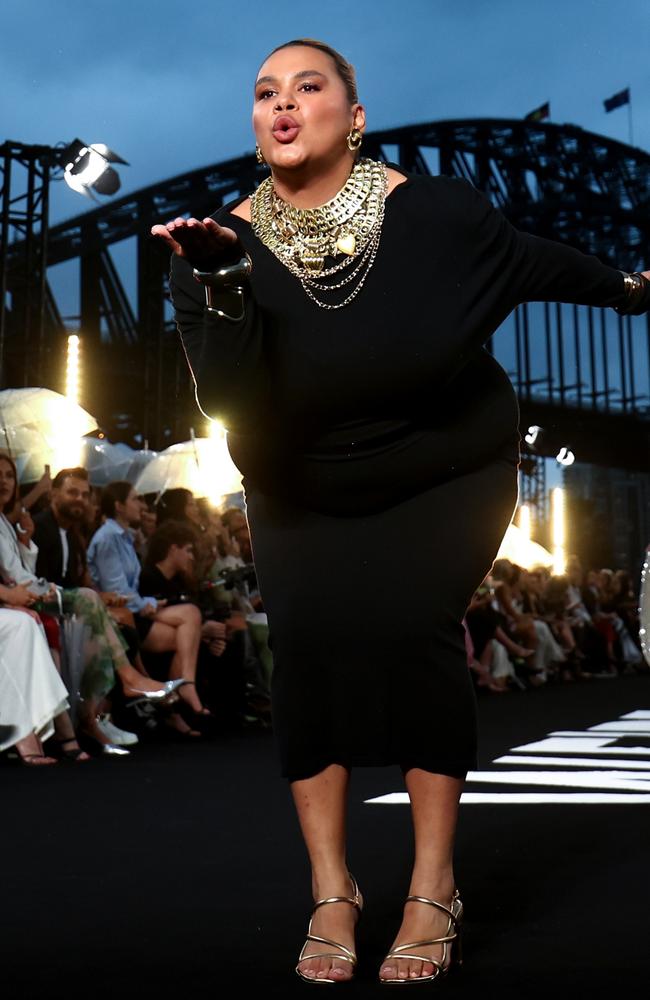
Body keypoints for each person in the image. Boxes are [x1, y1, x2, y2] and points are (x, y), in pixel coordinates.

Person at [152, 38, 650, 985]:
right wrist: (219, 283)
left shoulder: (434, 215)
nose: (283, 105)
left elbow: (534, 260)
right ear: (256, 124)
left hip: (444, 465)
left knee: (411, 630)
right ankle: (333, 892)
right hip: (301, 477)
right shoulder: (217, 244)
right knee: (308, 651)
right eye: (265, 94)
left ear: (356, 116)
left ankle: (432, 888)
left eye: (308, 87)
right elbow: (230, 400)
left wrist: (629, 289)